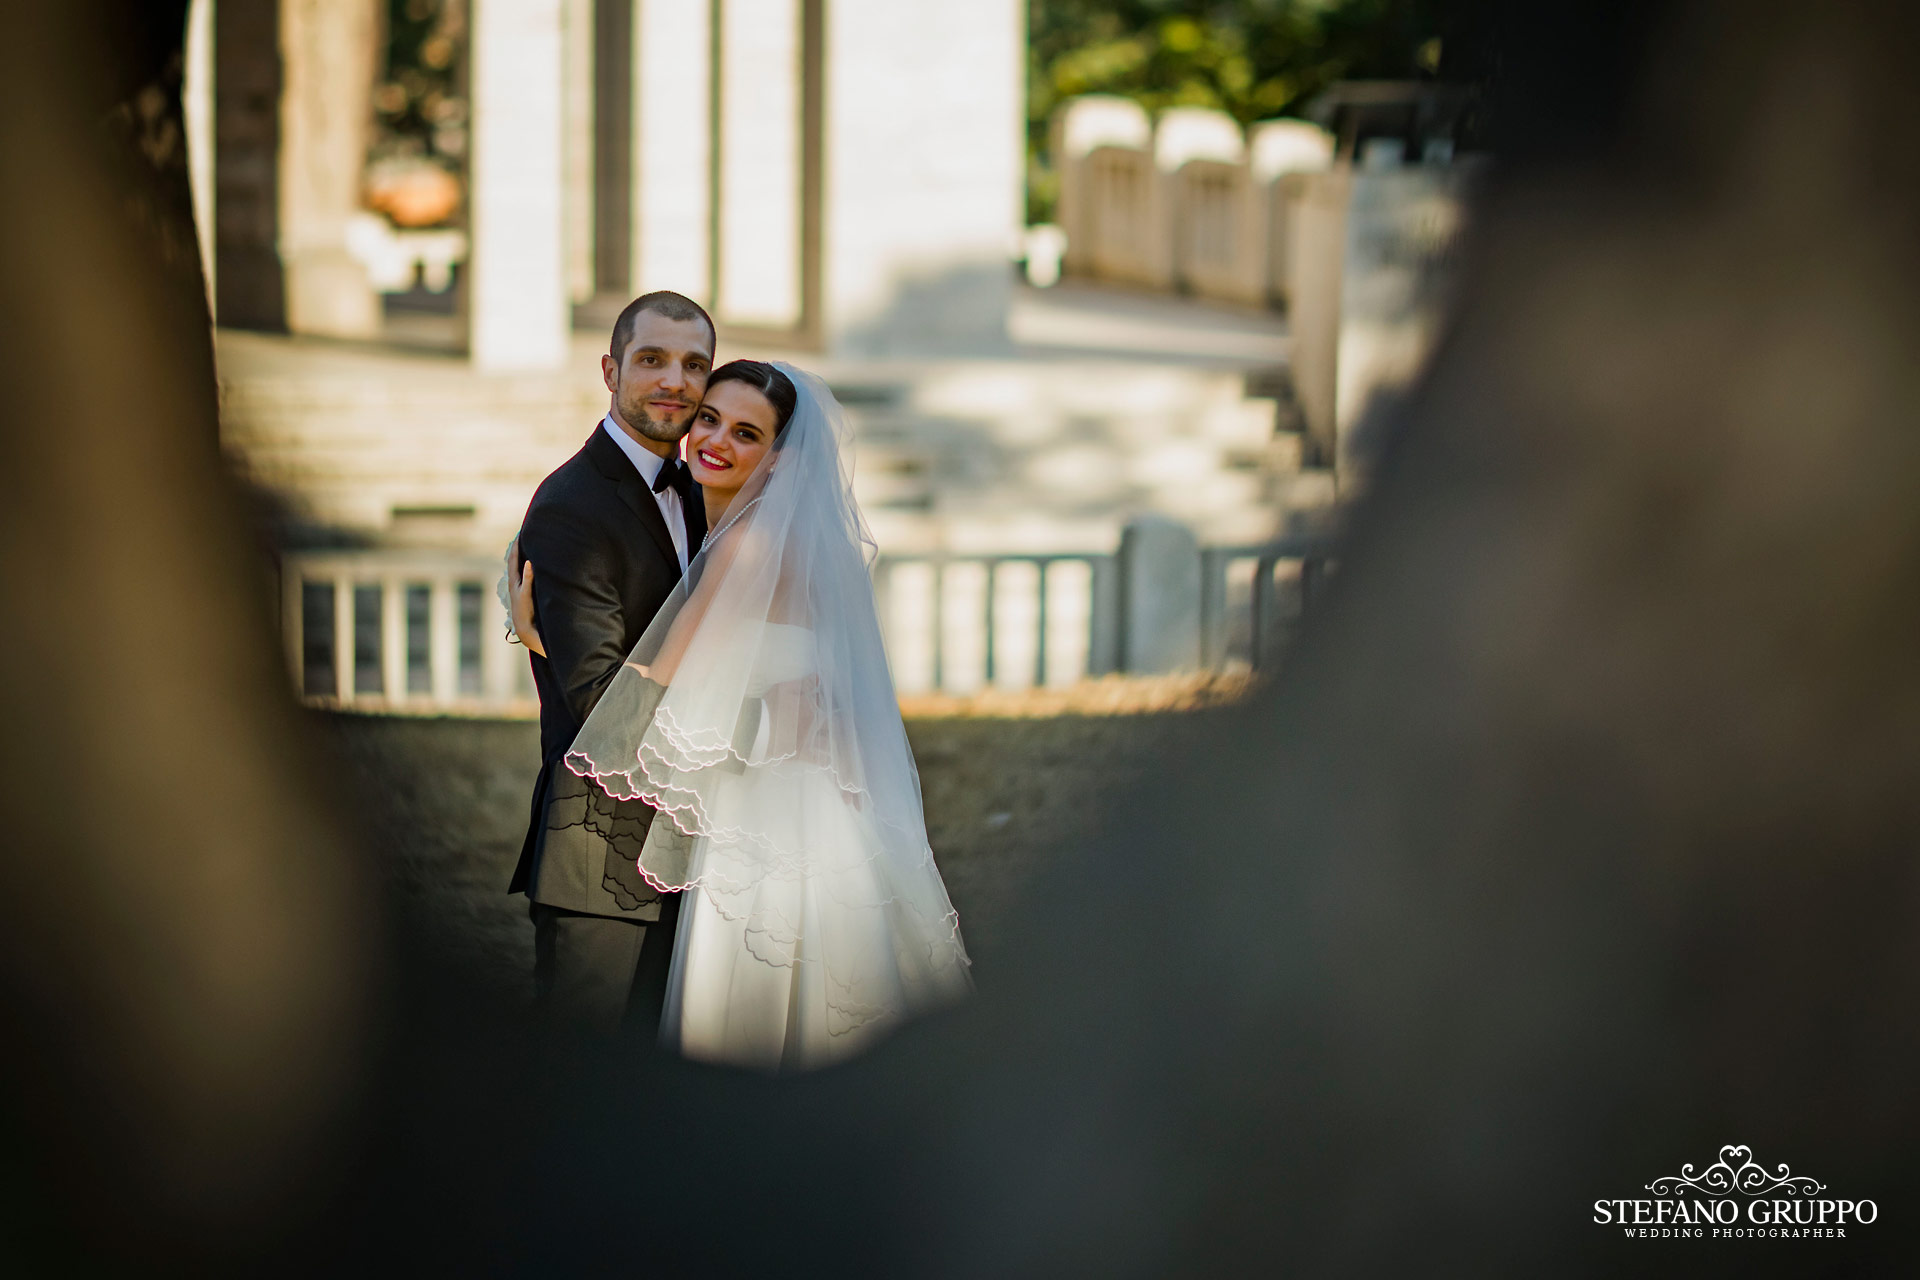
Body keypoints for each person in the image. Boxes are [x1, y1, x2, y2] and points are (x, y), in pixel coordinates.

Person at [510, 360, 972, 1069]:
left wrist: (547, 641)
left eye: (745, 432)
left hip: (765, 822)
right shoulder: (781, 541)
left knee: (750, 1019)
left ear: (780, 459)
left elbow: (644, 696)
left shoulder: (748, 545)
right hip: (815, 813)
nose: (715, 440)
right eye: (709, 419)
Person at [507, 290, 714, 1034]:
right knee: (583, 1091)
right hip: (603, 854)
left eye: (695, 365)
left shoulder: (706, 495)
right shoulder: (571, 505)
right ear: (609, 369)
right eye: (652, 359)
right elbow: (600, 705)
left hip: (699, 851)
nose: (675, 381)